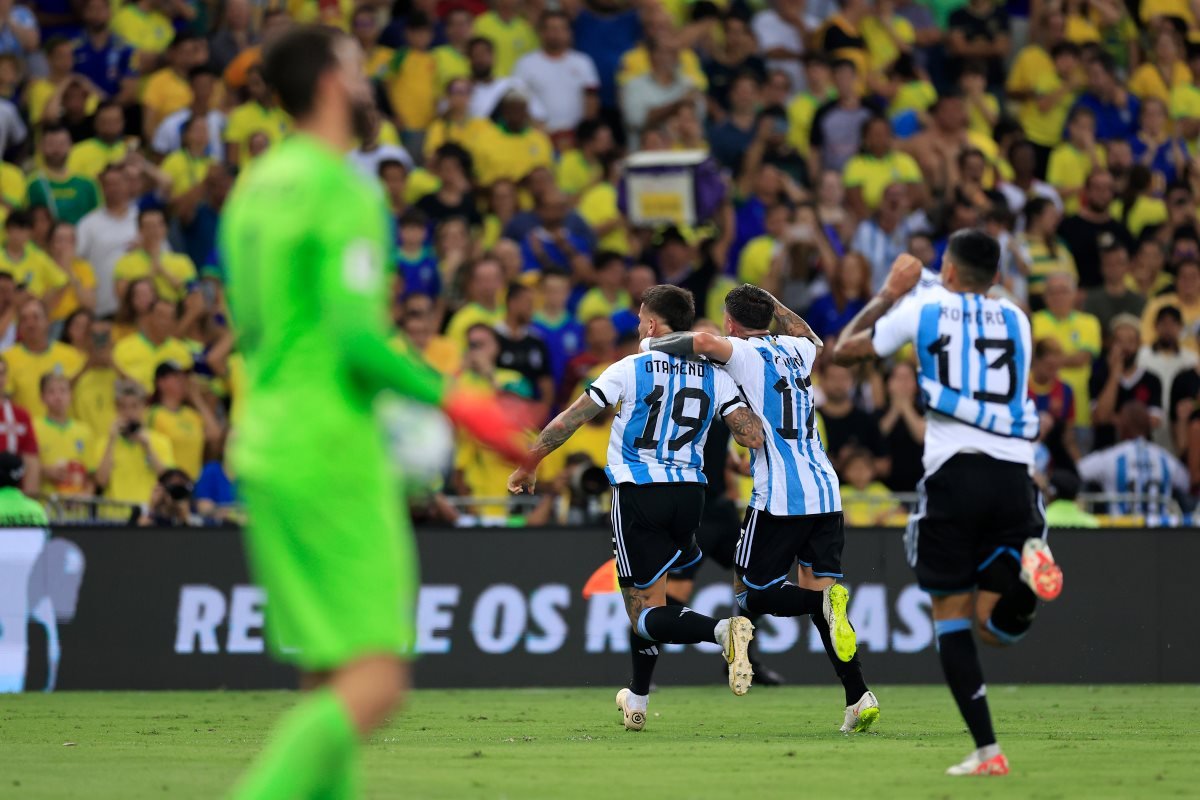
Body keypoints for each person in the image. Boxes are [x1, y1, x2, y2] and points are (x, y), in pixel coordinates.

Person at [219, 26, 529, 800]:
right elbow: (357, 337)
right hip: (329, 445)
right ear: (330, 83)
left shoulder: (253, 187)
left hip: (264, 440)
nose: (370, 87)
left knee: (327, 679)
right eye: (359, 71)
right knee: (377, 679)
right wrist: (461, 401)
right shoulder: (340, 189)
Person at [833, 238, 1063, 776]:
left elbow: (844, 349)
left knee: (952, 623)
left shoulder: (923, 308)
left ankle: (988, 750)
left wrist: (890, 292)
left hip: (954, 473)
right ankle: (1028, 585)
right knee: (996, 628)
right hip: (1015, 477)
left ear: (951, 268)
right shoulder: (1018, 319)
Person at [507, 285, 761, 730]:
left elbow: (573, 418)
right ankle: (638, 699)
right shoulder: (715, 376)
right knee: (654, 603)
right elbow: (749, 433)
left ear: (649, 324)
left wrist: (530, 464)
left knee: (643, 613)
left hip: (640, 492)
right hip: (690, 496)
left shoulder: (629, 367)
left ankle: (722, 631)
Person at [641, 284, 878, 735]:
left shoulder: (743, 355)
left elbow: (706, 343)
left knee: (751, 594)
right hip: (826, 493)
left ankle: (820, 605)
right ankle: (858, 695)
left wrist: (653, 342)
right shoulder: (797, 348)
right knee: (828, 606)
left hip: (780, 497)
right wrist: (774, 304)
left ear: (730, 323)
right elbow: (809, 334)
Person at [1078, 401, 1188, 516]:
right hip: (1160, 531)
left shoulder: (1111, 457)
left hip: (1119, 530)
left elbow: (1078, 471)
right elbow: (1185, 483)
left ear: (1122, 426)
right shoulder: (1165, 459)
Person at [1089, 314, 1164, 450]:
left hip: (1142, 451)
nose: (1125, 348)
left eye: (1131, 341)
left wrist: (1118, 419)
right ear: (1110, 343)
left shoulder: (1152, 379)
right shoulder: (1098, 376)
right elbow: (1101, 417)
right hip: (1105, 450)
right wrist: (1114, 375)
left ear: (1139, 344)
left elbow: (1154, 421)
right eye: (1119, 342)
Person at [76, 165, 138, 317]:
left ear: (128, 185)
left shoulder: (142, 220)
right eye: (108, 184)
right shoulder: (88, 223)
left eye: (118, 183)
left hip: (138, 309)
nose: (113, 188)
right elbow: (76, 261)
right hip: (102, 309)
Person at [34, 372, 95, 498]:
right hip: (46, 506)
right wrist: (44, 470)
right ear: (42, 397)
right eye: (51, 392)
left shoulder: (84, 431)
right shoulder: (34, 427)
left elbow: (91, 474)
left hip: (78, 512)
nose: (58, 397)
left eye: (63, 391)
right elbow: (24, 467)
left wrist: (85, 495)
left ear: (71, 395)